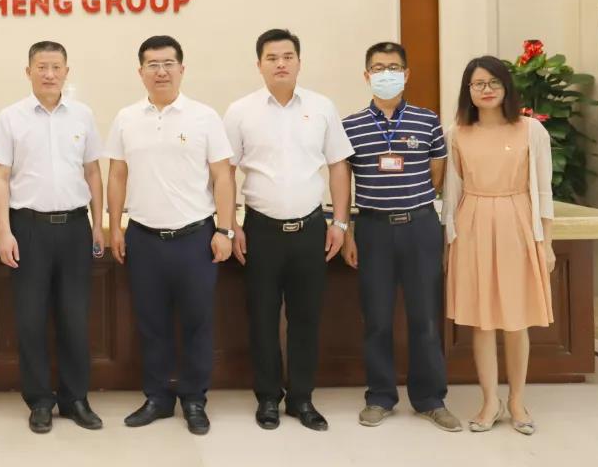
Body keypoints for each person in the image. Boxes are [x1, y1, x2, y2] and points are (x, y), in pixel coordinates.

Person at [222, 28, 353, 431]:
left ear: (299, 62)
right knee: (262, 318)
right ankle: (267, 397)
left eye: (288, 56)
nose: (280, 64)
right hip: (260, 231)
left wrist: (341, 222)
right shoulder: (240, 111)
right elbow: (224, 172)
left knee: (306, 318)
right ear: (259, 64)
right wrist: (230, 224)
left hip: (312, 229)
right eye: (272, 58)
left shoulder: (322, 107)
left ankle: (301, 398)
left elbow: (338, 166)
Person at [106, 35, 236, 436]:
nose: (160, 71)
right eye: (152, 64)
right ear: (140, 71)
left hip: (195, 237)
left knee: (198, 322)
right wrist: (116, 226)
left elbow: (223, 176)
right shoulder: (126, 118)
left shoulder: (204, 117)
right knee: (151, 323)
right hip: (143, 237)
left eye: (168, 64)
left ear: (181, 69)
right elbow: (117, 175)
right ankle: (158, 398)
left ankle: (194, 399)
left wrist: (225, 229)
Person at [340, 41, 461, 431]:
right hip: (372, 229)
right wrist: (348, 232)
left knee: (425, 317)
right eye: (378, 68)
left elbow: (436, 176)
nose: (386, 74)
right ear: (366, 76)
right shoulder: (350, 125)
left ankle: (430, 399)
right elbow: (344, 182)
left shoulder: (427, 121)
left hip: (420, 227)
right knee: (376, 318)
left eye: (393, 67)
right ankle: (379, 396)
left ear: (406, 74)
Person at [0, 41, 105, 434]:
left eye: (56, 67)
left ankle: (76, 399)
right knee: (30, 319)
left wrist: (98, 224)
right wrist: (4, 231)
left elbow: (93, 172)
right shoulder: (10, 117)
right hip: (28, 228)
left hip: (74, 227)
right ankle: (39, 400)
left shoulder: (83, 115)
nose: (49, 74)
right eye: (42, 66)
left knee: (75, 318)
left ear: (66, 71)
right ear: (29, 72)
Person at [443, 55, 555, 436]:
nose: (486, 90)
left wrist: (547, 242)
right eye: (478, 84)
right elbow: (451, 193)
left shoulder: (530, 130)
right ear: (468, 91)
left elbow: (543, 190)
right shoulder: (457, 133)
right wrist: (449, 242)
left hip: (517, 223)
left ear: (506, 86)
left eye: (493, 82)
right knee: (483, 320)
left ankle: (517, 400)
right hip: (472, 224)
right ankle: (490, 400)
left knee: (516, 319)